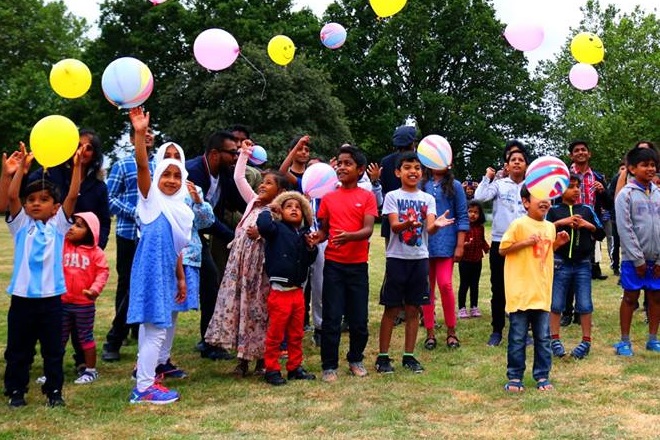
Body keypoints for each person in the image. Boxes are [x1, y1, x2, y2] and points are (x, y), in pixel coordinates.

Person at [1, 142, 83, 407]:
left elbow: (72, 196)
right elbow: (12, 197)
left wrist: (77, 167)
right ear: (25, 206)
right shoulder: (20, 225)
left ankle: (54, 392)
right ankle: (16, 391)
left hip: (51, 302)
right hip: (22, 300)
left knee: (53, 350)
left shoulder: (59, 227)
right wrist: (18, 172)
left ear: (55, 207)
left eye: (44, 199)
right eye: (31, 200)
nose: (36, 203)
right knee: (18, 350)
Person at [26, 128, 111, 372]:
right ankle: (30, 356)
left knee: (78, 307)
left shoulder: (98, 187)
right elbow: (31, 191)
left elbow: (104, 221)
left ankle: (82, 360)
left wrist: (94, 247)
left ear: (95, 154)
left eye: (89, 147)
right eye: (78, 145)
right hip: (52, 249)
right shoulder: (52, 173)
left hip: (82, 254)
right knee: (46, 308)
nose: (82, 151)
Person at [125, 108, 193, 404]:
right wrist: (140, 133)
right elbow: (142, 166)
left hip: (165, 273)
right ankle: (144, 388)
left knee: (153, 329)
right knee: (155, 331)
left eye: (177, 175)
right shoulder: (151, 200)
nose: (171, 180)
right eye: (166, 174)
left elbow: (176, 249)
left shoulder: (182, 210)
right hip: (150, 272)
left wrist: (180, 277)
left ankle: (145, 381)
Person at [204, 143, 288, 377]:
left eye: (268, 183)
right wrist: (244, 154)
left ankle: (261, 359)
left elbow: (280, 235)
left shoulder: (278, 212)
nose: (262, 185)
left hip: (260, 271)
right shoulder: (253, 201)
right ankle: (242, 361)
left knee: (259, 312)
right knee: (241, 310)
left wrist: (261, 233)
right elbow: (239, 177)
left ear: (280, 191)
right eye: (262, 182)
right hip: (240, 268)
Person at [376, 152, 454, 374]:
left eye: (417, 168)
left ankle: (408, 356)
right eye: (407, 167)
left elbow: (429, 228)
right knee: (391, 308)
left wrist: (436, 225)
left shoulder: (428, 199)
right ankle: (383, 357)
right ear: (398, 172)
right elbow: (394, 226)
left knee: (413, 309)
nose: (413, 171)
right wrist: (407, 223)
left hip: (419, 259)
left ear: (422, 172)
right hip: (397, 259)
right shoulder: (392, 196)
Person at [310, 145, 378, 383]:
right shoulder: (329, 198)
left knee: (359, 320)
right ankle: (329, 365)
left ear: (360, 170)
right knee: (331, 318)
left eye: (348, 163)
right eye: (339, 163)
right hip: (334, 266)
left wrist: (350, 236)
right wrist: (317, 237)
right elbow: (324, 231)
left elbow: (368, 229)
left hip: (358, 267)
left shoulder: (367, 197)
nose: (341, 167)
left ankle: (355, 359)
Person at [147, 142, 215, 379]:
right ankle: (146, 364)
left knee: (173, 311)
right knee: (156, 311)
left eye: (177, 155)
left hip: (187, 256)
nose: (173, 158)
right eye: (167, 155)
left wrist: (197, 200)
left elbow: (205, 223)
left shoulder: (191, 187)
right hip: (160, 256)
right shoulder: (152, 188)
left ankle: (163, 361)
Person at [499, 185, 570, 392]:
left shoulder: (550, 227)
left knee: (543, 338)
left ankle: (542, 375)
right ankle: (514, 377)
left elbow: (543, 252)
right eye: (538, 196)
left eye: (547, 196)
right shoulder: (518, 225)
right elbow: (503, 249)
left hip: (541, 291)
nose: (545, 200)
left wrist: (557, 244)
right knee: (518, 337)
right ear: (526, 202)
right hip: (520, 292)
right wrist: (525, 242)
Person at [102, 125, 156, 362]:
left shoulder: (161, 166)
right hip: (128, 233)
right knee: (127, 283)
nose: (147, 135)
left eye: (150, 132)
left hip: (151, 234)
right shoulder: (122, 165)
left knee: (145, 283)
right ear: (133, 139)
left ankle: (136, 328)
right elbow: (109, 198)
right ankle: (119, 334)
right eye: (142, 133)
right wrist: (134, 212)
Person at [185, 130, 240, 361]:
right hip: (180, 237)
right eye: (232, 153)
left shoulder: (225, 174)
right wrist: (232, 237)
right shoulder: (193, 171)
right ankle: (116, 339)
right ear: (215, 154)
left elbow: (238, 201)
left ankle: (208, 343)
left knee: (210, 283)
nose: (236, 157)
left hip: (198, 236)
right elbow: (206, 218)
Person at [257, 191, 318, 385]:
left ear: (304, 213)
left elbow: (310, 260)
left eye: (298, 207)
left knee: (296, 333)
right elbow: (263, 226)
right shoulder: (275, 229)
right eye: (288, 206)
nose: (294, 209)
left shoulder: (304, 234)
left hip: (297, 291)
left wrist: (311, 248)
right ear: (280, 211)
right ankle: (271, 369)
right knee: (275, 334)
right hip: (280, 291)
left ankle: (294, 367)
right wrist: (268, 210)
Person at [474, 143, 529, 346]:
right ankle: (497, 330)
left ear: (526, 165)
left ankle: (522, 331)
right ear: (507, 166)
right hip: (501, 243)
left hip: (524, 243)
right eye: (513, 160)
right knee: (498, 289)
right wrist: (487, 178)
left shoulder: (531, 186)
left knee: (522, 288)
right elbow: (480, 197)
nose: (517, 162)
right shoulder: (499, 184)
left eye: (521, 160)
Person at [546, 174, 605, 359]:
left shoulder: (587, 209)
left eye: (577, 186)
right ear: (560, 190)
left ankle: (586, 341)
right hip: (559, 263)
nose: (576, 190)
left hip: (583, 264)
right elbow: (543, 231)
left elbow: (601, 233)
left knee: (585, 303)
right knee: (556, 303)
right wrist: (561, 223)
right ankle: (554, 339)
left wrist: (588, 225)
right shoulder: (553, 210)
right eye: (571, 186)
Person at [613, 146, 660, 356]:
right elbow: (625, 228)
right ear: (632, 168)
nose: (650, 169)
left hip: (656, 259)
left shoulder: (658, 193)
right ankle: (624, 341)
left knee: (656, 298)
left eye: (653, 165)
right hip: (633, 260)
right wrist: (637, 259)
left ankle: (653, 339)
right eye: (645, 165)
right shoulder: (626, 195)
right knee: (630, 298)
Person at [421, 164, 468, 349]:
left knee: (445, 285)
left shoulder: (455, 186)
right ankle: (430, 332)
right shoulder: (421, 184)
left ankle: (451, 331)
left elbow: (462, 216)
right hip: (424, 244)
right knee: (426, 289)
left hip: (446, 243)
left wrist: (460, 245)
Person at [60, 212, 109, 384]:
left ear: (90, 232)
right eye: (73, 223)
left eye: (79, 226)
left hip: (84, 304)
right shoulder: (62, 246)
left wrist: (94, 290)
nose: (72, 228)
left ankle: (90, 370)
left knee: (85, 337)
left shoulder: (96, 253)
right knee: (58, 338)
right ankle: (53, 369)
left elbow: (102, 272)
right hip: (62, 302)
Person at [457, 201, 490, 319]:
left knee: (475, 284)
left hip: (477, 260)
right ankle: (461, 308)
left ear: (480, 214)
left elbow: (482, 240)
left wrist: (488, 249)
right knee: (464, 284)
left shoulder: (480, 228)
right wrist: (463, 244)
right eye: (470, 211)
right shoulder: (463, 227)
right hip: (465, 260)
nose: (473, 214)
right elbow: (458, 242)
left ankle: (474, 306)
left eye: (476, 212)